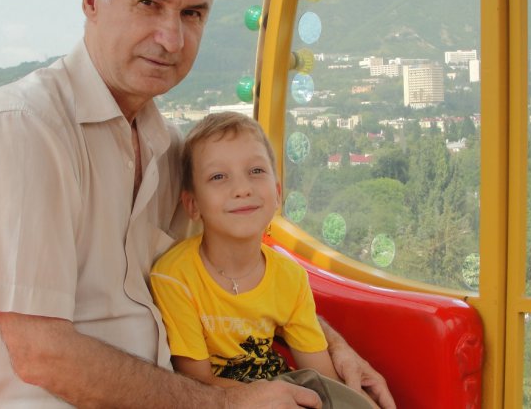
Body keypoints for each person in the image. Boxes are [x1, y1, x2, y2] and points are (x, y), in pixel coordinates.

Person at [0, 0, 395, 407]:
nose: (171, 39)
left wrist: (333, 346)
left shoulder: (168, 148)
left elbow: (232, 268)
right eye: (149, 3)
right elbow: (41, 354)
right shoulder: (23, 128)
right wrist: (227, 404)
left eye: (192, 14)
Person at [150, 112, 386, 409]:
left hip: (286, 390)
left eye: (256, 171)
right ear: (193, 204)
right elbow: (198, 382)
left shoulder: (290, 278)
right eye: (218, 176)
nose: (242, 189)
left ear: (276, 193)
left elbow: (322, 378)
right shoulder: (175, 277)